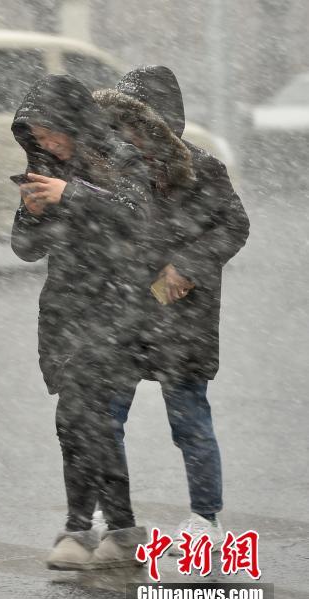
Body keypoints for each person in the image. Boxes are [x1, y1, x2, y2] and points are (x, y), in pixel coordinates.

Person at [96, 66, 249, 552]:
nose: (128, 134)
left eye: (137, 123)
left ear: (164, 122)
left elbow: (234, 226)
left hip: (180, 314)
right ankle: (112, 511)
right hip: (124, 311)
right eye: (121, 124)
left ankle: (206, 517)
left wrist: (186, 265)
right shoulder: (114, 168)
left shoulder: (202, 168)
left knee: (189, 422)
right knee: (105, 415)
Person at [10, 74, 152, 570]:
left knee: (77, 418)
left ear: (76, 124)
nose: (47, 144)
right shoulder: (45, 170)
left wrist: (71, 194)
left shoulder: (122, 158)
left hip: (117, 307)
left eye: (54, 134)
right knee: (89, 425)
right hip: (64, 311)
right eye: (38, 137)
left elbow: (138, 216)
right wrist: (31, 212)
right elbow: (25, 250)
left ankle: (77, 529)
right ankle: (122, 528)